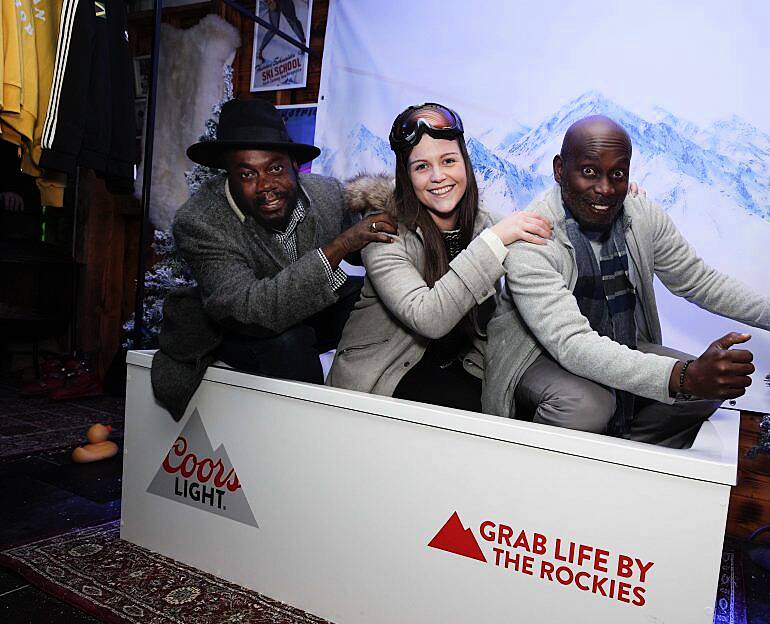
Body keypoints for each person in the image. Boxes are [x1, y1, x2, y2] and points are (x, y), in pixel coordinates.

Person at [483, 115, 770, 448]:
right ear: (560, 170)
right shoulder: (532, 237)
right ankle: (538, 484)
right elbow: (571, 344)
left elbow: (697, 280)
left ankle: (621, 463)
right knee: (586, 406)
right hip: (536, 355)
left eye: (617, 174)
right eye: (589, 172)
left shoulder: (640, 214)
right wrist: (682, 376)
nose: (605, 189)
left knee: (709, 385)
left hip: (617, 340)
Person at [152, 97, 396, 420]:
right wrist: (340, 245)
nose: (266, 185)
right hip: (240, 327)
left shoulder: (326, 194)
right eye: (247, 174)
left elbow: (362, 247)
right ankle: (313, 431)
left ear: (295, 166)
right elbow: (252, 310)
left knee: (377, 303)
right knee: (289, 343)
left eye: (275, 168)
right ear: (229, 175)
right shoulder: (200, 222)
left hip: (312, 310)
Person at [326, 103, 552, 411]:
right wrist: (495, 241)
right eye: (421, 167)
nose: (438, 176)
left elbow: (546, 231)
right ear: (406, 176)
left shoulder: (483, 224)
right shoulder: (383, 230)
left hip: (463, 364)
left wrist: (616, 197)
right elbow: (428, 317)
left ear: (466, 164)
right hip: (385, 377)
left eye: (448, 161)